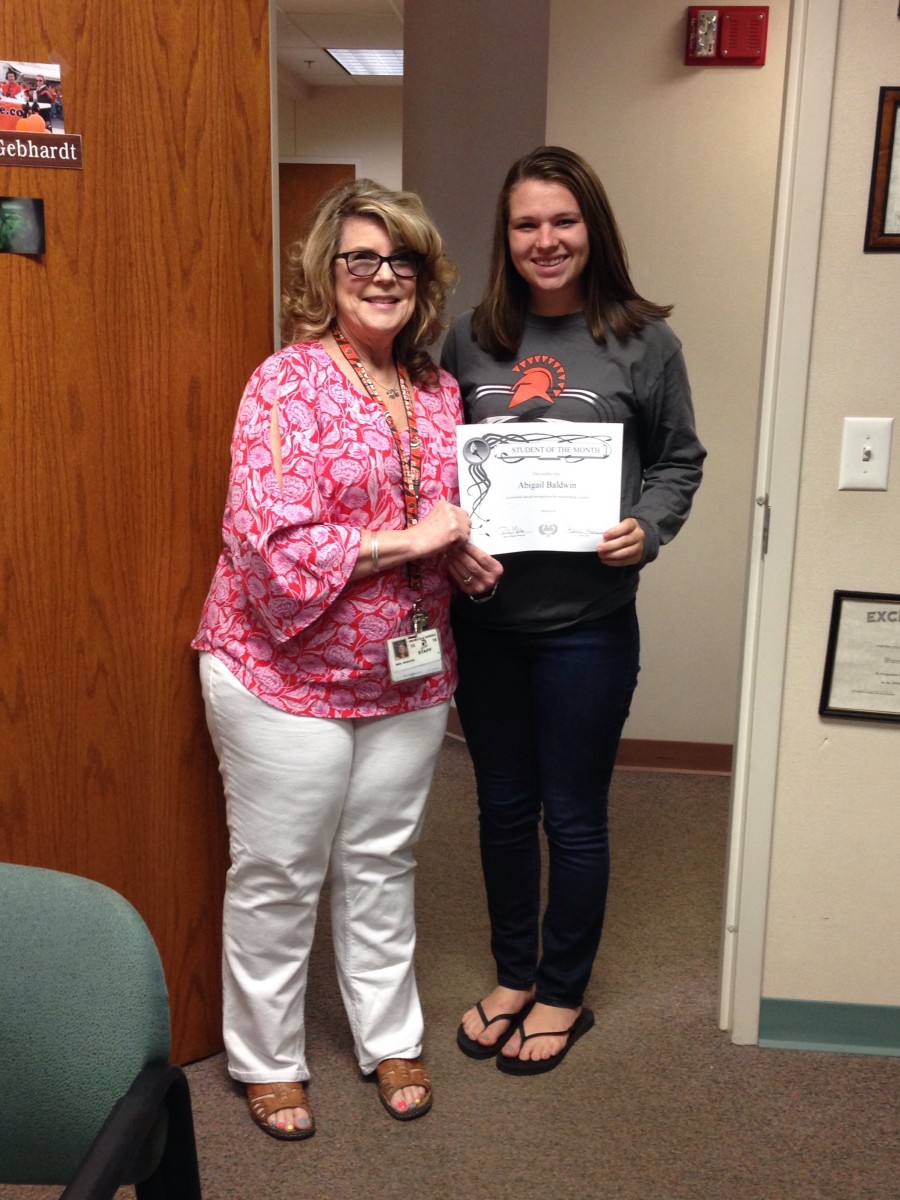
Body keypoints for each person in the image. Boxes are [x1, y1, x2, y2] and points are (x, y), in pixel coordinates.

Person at [193, 178, 501, 1139]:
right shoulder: (284, 382)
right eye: (361, 257)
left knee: (381, 859)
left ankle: (388, 1032)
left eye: (401, 258)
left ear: (425, 277)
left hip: (404, 674)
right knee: (281, 870)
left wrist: (464, 553)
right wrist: (417, 541)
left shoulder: (440, 390)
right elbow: (270, 551)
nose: (382, 275)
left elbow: (443, 517)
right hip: (279, 675)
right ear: (326, 273)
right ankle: (267, 1057)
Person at [441, 146, 706, 1075]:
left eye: (562, 221)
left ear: (591, 228)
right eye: (526, 225)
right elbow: (441, 468)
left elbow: (681, 459)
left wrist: (649, 525)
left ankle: (562, 992)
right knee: (502, 810)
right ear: (505, 238)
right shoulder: (471, 340)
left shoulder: (644, 341)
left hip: (589, 627)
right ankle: (515, 975)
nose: (545, 240)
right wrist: (449, 539)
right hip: (486, 624)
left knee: (574, 815)